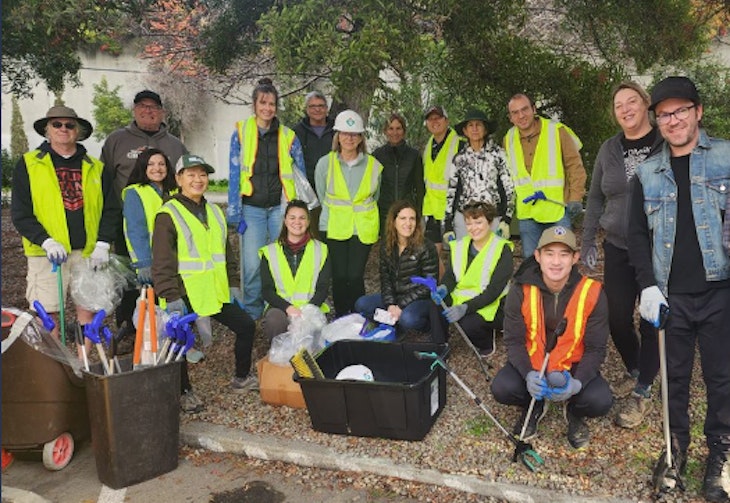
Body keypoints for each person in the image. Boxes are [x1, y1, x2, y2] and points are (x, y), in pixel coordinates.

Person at [627, 76, 730, 502]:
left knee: (722, 378)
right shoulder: (647, 173)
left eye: (681, 111)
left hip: (720, 292)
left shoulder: (727, 157)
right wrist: (648, 287)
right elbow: (635, 235)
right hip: (670, 298)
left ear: (698, 112)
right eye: (665, 114)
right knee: (675, 379)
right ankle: (674, 449)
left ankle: (721, 454)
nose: (673, 120)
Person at [581, 82, 663, 429]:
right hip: (615, 245)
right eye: (618, 105)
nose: (626, 109)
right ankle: (636, 367)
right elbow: (595, 199)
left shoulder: (665, 143)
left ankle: (644, 389)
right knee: (615, 316)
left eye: (632, 101)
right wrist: (586, 241)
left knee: (650, 318)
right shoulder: (609, 148)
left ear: (646, 105)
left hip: (658, 247)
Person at [153, 154, 258, 412]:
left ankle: (241, 378)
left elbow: (226, 252)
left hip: (214, 290)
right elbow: (162, 260)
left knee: (246, 325)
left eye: (202, 174)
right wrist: (169, 294)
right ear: (178, 179)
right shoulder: (168, 214)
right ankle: (184, 392)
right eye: (190, 174)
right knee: (178, 343)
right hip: (184, 292)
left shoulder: (213, 211)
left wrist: (233, 283)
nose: (198, 180)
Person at [491, 226, 612, 449]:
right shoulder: (519, 289)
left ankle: (573, 409)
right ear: (537, 256)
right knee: (502, 388)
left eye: (564, 254)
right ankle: (534, 404)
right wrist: (528, 374)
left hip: (572, 365)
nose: (556, 262)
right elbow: (514, 341)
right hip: (533, 362)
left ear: (575, 258)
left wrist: (578, 383)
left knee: (600, 401)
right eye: (549, 253)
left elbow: (596, 349)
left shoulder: (593, 292)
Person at [11, 106, 119, 345]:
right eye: (56, 124)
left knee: (88, 311)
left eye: (69, 125)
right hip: (46, 255)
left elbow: (111, 209)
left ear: (78, 132)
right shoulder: (29, 165)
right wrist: (45, 240)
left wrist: (103, 243)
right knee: (46, 315)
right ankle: (58, 372)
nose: (63, 129)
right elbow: (20, 212)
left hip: (88, 252)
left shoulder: (97, 168)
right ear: (47, 130)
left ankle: (82, 368)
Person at [100, 89, 188, 334]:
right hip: (126, 223)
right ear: (135, 110)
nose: (148, 111)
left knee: (170, 274)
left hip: (169, 230)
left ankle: (169, 324)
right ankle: (130, 324)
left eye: (153, 107)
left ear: (162, 113)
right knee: (131, 277)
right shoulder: (117, 140)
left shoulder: (175, 145)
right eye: (143, 106)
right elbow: (105, 181)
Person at [227, 78, 306, 320]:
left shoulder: (289, 136)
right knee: (251, 266)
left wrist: (299, 210)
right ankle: (252, 313)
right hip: (251, 209)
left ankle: (282, 309)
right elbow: (233, 173)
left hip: (280, 209)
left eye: (272, 104)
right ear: (254, 105)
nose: (268, 109)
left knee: (284, 261)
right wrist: (234, 211)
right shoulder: (241, 132)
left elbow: (300, 175)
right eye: (263, 103)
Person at [314, 109, 383, 316]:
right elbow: (322, 194)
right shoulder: (325, 163)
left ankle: (358, 316)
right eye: (345, 133)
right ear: (337, 136)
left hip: (362, 227)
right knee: (339, 276)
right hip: (334, 226)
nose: (349, 138)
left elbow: (376, 195)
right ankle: (341, 317)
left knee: (354, 276)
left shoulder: (374, 165)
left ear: (361, 137)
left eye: (354, 134)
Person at [504, 94, 587, 258]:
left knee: (561, 261)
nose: (521, 116)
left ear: (534, 109)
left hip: (557, 209)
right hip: (527, 213)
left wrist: (576, 197)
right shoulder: (508, 139)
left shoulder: (557, 131)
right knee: (531, 263)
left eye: (525, 109)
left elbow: (574, 166)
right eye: (515, 112)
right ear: (510, 118)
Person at [430, 202, 513, 357]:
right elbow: (451, 275)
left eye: (478, 222)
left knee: (468, 323)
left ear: (489, 222)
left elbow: (493, 291)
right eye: (469, 223)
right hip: (464, 297)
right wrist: (444, 288)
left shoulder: (502, 249)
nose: (473, 228)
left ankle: (486, 342)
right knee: (436, 305)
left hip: (493, 304)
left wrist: (465, 308)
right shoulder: (460, 246)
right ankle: (440, 346)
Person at [354, 200, 438, 333]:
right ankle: (394, 320)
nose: (408, 223)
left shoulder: (426, 247)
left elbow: (428, 285)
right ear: (394, 221)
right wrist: (390, 304)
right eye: (403, 218)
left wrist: (400, 306)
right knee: (361, 304)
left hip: (419, 299)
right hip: (396, 297)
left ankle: (419, 324)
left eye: (412, 219)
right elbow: (385, 278)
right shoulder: (387, 245)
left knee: (408, 319)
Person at [259, 199, 331, 342]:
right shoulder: (270, 252)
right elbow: (267, 290)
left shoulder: (321, 249)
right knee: (275, 321)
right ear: (285, 221)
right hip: (281, 308)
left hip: (311, 308)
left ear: (308, 221)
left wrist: (307, 311)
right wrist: (288, 308)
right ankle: (278, 355)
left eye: (302, 218)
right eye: (292, 218)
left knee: (312, 339)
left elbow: (323, 288)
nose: (297, 222)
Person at [444, 109, 514, 241]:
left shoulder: (498, 154)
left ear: (486, 129)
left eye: (479, 125)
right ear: (465, 131)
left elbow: (508, 188)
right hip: (465, 219)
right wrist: (448, 223)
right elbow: (451, 192)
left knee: (493, 258)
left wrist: (507, 219)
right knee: (465, 258)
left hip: (493, 217)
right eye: (470, 125)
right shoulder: (459, 158)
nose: (474, 129)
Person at [121, 148, 177, 286]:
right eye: (151, 164)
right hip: (152, 261)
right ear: (143, 167)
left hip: (175, 258)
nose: (157, 168)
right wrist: (144, 263)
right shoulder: (135, 192)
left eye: (161, 164)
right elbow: (136, 230)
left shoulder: (174, 191)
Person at [421, 105, 465, 275]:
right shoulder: (428, 146)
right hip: (432, 209)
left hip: (453, 210)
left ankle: (458, 291)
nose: (434, 122)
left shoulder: (460, 145)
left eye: (438, 118)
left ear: (447, 121)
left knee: (458, 254)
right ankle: (441, 293)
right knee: (432, 255)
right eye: (431, 119)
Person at [372, 113, 424, 236]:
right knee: (387, 248)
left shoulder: (414, 155)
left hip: (407, 211)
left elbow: (419, 187)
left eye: (398, 128)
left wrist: (418, 213)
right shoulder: (377, 155)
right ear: (385, 131)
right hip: (384, 211)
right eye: (391, 128)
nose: (394, 132)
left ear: (404, 131)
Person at [292, 91, 335, 237]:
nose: (317, 109)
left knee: (330, 231)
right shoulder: (296, 132)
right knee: (311, 232)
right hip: (308, 191)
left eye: (321, 106)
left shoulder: (336, 131)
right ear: (307, 109)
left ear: (326, 108)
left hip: (333, 189)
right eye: (313, 106)